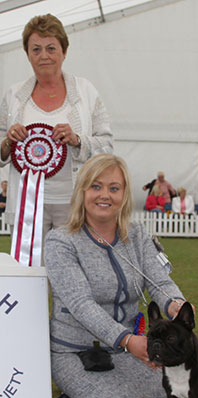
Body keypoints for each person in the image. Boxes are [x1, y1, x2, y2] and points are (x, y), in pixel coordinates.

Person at [44, 154, 188, 398]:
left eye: (114, 188)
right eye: (96, 187)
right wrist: (126, 340)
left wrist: (176, 304)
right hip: (77, 353)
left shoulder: (136, 236)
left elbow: (159, 281)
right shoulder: (61, 241)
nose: (104, 195)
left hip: (129, 352)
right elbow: (81, 305)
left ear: (124, 194)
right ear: (82, 192)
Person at [0, 14, 113, 241]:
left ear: (64, 51)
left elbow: (107, 145)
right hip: (27, 206)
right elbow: (1, 150)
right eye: (36, 49)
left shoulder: (86, 92)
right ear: (27, 54)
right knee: (30, 273)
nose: (44, 56)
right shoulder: (13, 95)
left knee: (71, 273)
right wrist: (8, 142)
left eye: (51, 48)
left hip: (75, 204)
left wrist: (77, 140)